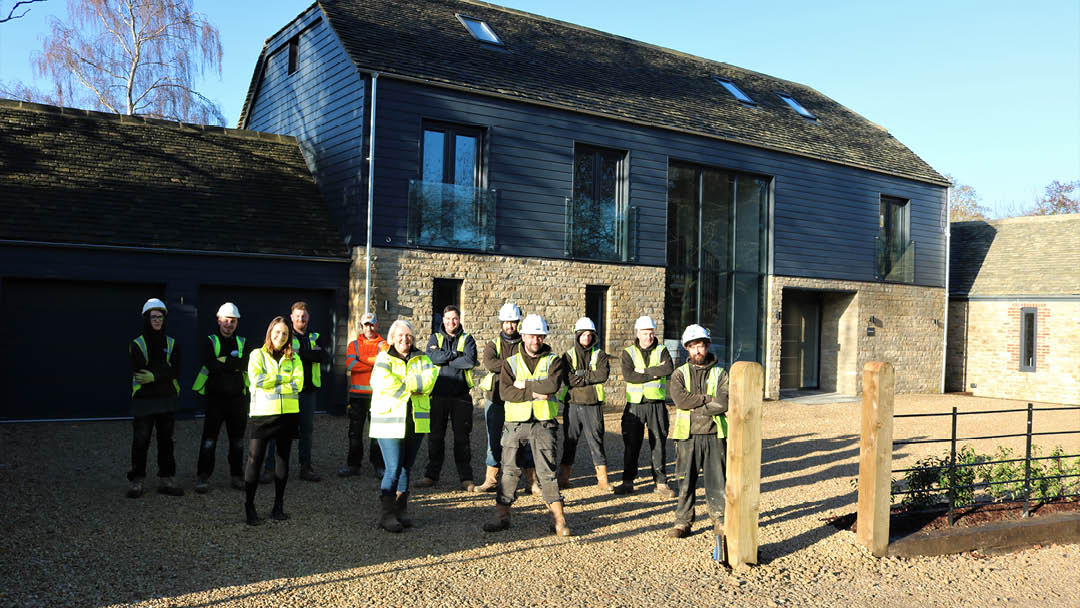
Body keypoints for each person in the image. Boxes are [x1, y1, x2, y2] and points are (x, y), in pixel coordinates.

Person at [483, 314, 571, 536]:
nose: (536, 340)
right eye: (532, 336)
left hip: (543, 424)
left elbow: (552, 385)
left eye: (539, 336)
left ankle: (559, 520)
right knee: (509, 471)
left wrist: (524, 386)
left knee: (547, 472)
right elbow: (505, 392)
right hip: (515, 423)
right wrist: (535, 391)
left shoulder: (554, 360)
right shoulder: (510, 363)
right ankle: (501, 515)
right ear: (523, 336)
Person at [369, 319, 437, 532]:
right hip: (389, 421)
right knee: (393, 467)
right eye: (400, 335)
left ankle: (401, 509)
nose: (404, 339)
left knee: (406, 467)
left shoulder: (423, 358)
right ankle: (386, 514)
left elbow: (430, 381)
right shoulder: (383, 358)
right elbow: (382, 383)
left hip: (414, 420)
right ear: (391, 338)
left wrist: (404, 382)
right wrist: (414, 384)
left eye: (408, 335)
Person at [666, 324, 729, 538]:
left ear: (707, 345)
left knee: (718, 482)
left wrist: (697, 404)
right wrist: (708, 400)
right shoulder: (678, 374)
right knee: (685, 482)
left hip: (714, 435)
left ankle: (720, 521)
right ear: (686, 349)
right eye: (692, 347)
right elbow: (680, 400)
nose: (697, 351)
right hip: (687, 435)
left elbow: (724, 402)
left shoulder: (721, 373)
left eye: (700, 346)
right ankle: (683, 522)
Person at [243, 316, 304, 526]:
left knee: (282, 461)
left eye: (285, 334)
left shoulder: (295, 359)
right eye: (277, 332)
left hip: (288, 415)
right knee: (255, 461)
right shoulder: (256, 355)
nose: (280, 336)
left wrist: (274, 382)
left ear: (289, 338)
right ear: (270, 332)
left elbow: (299, 384)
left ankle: (278, 507)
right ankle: (249, 507)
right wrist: (284, 380)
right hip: (262, 415)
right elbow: (257, 380)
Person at [474, 302, 540, 494]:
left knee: (525, 440)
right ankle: (491, 480)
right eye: (506, 322)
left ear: (518, 323)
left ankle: (531, 482)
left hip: (519, 399)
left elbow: (525, 364)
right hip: (495, 398)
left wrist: (505, 366)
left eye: (513, 322)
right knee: (493, 439)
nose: (509, 326)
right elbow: (489, 363)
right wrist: (513, 366)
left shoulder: (524, 344)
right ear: (501, 323)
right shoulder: (492, 345)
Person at [264, 301, 329, 482]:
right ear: (291, 317)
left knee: (306, 431)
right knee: (276, 430)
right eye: (298, 316)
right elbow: (282, 355)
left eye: (304, 316)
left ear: (308, 317)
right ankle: (270, 469)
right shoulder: (285, 335)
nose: (301, 319)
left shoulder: (315, 336)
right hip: (287, 392)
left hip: (308, 392)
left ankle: (305, 467)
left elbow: (323, 356)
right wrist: (311, 353)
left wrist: (301, 352)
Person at [415, 305, 479, 491]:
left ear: (459, 320)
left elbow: (468, 361)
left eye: (455, 318)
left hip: (460, 397)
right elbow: (433, 357)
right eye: (448, 318)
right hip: (438, 396)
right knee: (435, 437)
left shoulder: (468, 339)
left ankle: (466, 478)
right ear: (442, 320)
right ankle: (431, 476)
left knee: (462, 438)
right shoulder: (435, 337)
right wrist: (454, 355)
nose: (451, 322)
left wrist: (445, 357)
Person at [127, 298, 184, 498]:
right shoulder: (137, 344)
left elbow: (176, 370)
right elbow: (139, 370)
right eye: (153, 317)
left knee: (166, 441)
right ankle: (137, 480)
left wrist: (155, 375)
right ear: (146, 318)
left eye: (160, 317)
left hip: (166, 399)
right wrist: (162, 373)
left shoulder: (172, 344)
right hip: (144, 400)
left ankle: (167, 478)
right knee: (141, 440)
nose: (157, 320)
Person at [615, 315, 676, 497]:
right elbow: (629, 376)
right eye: (644, 333)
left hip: (656, 405)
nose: (648, 337)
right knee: (631, 444)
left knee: (658, 443)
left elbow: (668, 369)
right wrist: (654, 373)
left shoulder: (662, 350)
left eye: (650, 333)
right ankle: (627, 481)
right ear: (638, 333)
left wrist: (644, 371)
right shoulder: (629, 352)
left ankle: (661, 482)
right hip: (635, 405)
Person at [193, 302, 248, 493]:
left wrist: (224, 360)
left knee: (238, 440)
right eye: (226, 320)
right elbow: (210, 364)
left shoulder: (242, 342)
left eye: (233, 321)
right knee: (209, 439)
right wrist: (232, 363)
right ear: (219, 320)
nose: (229, 324)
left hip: (237, 401)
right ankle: (203, 476)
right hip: (215, 399)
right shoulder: (209, 341)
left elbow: (246, 363)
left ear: (237, 322)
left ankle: (237, 475)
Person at [559, 316, 612, 490]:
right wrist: (589, 376)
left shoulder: (600, 354)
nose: (587, 338)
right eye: (583, 335)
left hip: (593, 404)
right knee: (570, 441)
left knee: (596, 441)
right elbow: (567, 379)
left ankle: (602, 480)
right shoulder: (568, 355)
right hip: (572, 404)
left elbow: (602, 375)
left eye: (590, 335)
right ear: (577, 335)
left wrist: (580, 375)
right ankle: (563, 479)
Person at [339, 312, 389, 478]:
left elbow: (384, 364)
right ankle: (353, 465)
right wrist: (373, 361)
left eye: (372, 324)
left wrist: (363, 359)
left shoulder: (384, 344)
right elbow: (350, 364)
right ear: (361, 326)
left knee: (377, 432)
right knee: (355, 432)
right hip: (357, 395)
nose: (369, 327)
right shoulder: (353, 344)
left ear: (377, 325)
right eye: (366, 324)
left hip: (378, 395)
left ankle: (378, 465)